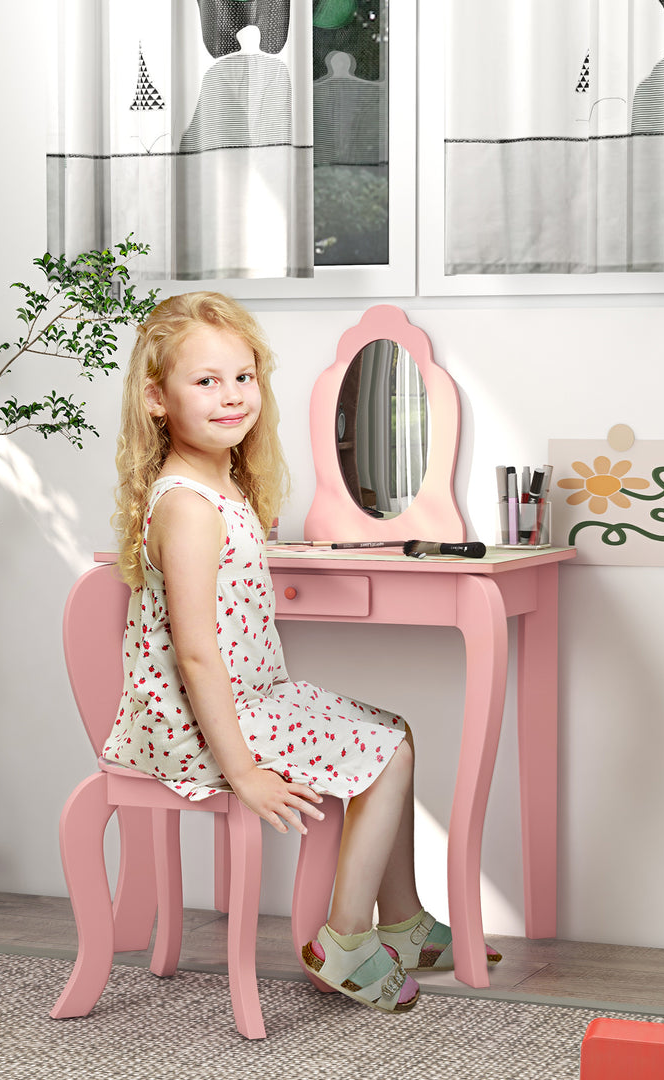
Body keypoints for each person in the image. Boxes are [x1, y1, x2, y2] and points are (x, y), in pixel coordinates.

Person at [105, 291, 499, 1015]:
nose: (231, 397)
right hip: (205, 726)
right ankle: (345, 942)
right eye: (206, 381)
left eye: (243, 376)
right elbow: (195, 659)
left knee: (395, 730)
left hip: (247, 699)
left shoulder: (219, 484)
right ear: (157, 399)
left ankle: (403, 920)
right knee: (388, 751)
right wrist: (244, 772)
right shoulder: (188, 506)